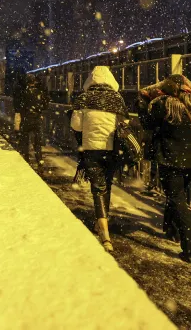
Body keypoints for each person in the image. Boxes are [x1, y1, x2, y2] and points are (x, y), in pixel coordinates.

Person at [143, 74, 191, 261]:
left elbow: (147, 122)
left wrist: (144, 97)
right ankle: (171, 230)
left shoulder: (163, 104)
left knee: (176, 198)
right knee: (177, 196)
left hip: (171, 160)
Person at [72, 66, 127, 253]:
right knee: (107, 184)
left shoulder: (84, 98)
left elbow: (76, 126)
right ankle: (105, 219)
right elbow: (124, 125)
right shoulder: (117, 98)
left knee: (98, 187)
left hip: (91, 149)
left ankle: (104, 232)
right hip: (111, 149)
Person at [13, 74, 50, 169]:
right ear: (34, 82)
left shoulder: (23, 92)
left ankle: (26, 159)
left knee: (25, 140)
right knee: (37, 142)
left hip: (26, 119)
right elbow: (45, 105)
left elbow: (18, 106)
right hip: (37, 119)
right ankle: (39, 160)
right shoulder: (39, 92)